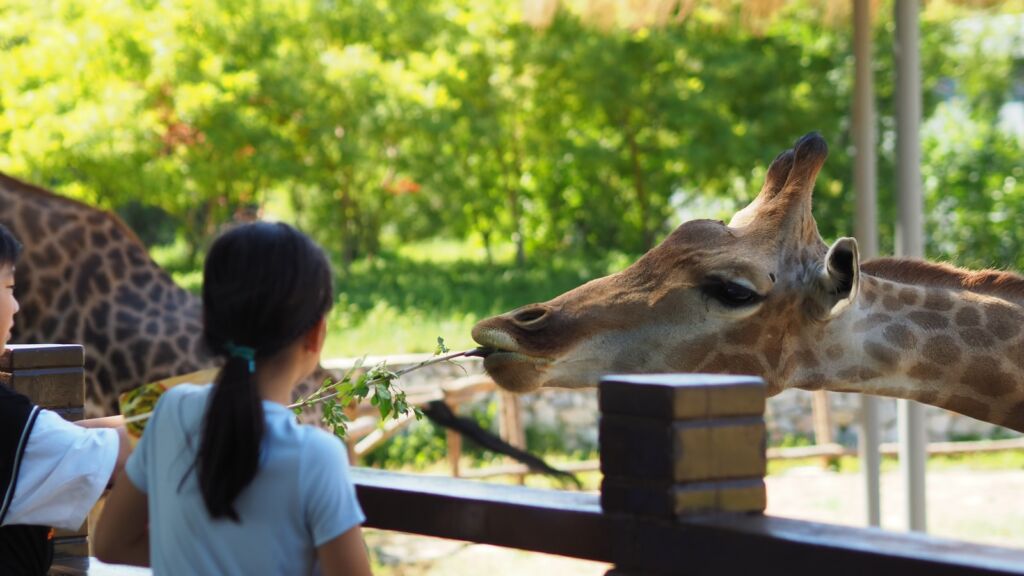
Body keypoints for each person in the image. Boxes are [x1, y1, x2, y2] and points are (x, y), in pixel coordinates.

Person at [94, 222, 373, 576]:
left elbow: (110, 543)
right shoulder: (317, 456)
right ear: (316, 333)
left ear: (210, 323)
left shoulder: (170, 411)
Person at [0, 223, 130, 576]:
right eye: (9, 287)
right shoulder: (8, 421)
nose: (17, 306)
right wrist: (191, 408)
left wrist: (140, 417)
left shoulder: (19, 432)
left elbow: (49, 442)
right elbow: (117, 458)